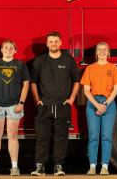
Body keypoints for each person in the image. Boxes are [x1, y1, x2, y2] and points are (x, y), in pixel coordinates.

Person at [30, 31, 80, 176]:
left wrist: (71, 99)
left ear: (60, 43)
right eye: (51, 41)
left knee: (61, 137)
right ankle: (40, 166)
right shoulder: (40, 60)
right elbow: (33, 82)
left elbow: (76, 81)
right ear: (47, 44)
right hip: (44, 105)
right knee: (42, 137)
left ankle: (58, 165)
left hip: (62, 105)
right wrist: (37, 100)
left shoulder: (68, 60)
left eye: (56, 41)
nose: (53, 44)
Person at [0, 39, 30, 176]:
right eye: (6, 47)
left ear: (15, 51)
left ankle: (15, 167)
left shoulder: (20, 65)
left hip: (14, 106)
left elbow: (26, 84)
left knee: (13, 135)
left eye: (11, 48)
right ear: (2, 50)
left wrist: (21, 103)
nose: (8, 50)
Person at [80, 42, 117, 175]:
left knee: (106, 136)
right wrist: (97, 105)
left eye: (105, 50)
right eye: (100, 50)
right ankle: (92, 166)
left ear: (108, 53)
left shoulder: (114, 69)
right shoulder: (90, 69)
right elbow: (86, 91)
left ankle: (105, 166)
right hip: (93, 102)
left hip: (108, 103)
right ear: (96, 53)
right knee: (93, 135)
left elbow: (115, 90)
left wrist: (104, 105)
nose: (103, 52)